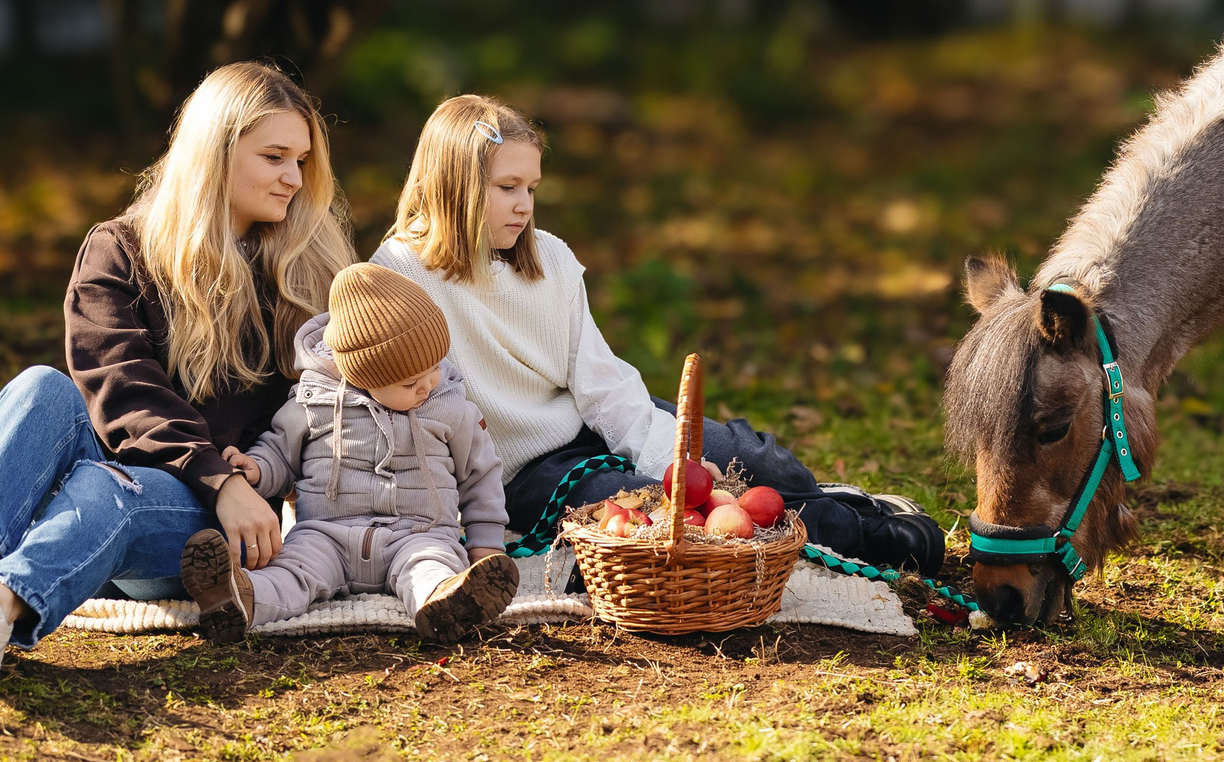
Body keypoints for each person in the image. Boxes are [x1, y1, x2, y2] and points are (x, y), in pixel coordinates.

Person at [0, 62, 350, 679]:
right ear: (215, 154)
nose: (293, 179)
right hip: (136, 469)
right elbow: (121, 383)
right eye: (275, 157)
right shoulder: (121, 247)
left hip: (204, 519)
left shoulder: (305, 272)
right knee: (39, 388)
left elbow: (326, 409)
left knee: (109, 489)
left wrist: (240, 483)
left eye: (301, 162)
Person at [369, 94, 944, 574]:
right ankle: (862, 538)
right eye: (507, 188)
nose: (525, 207)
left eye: (532, 189)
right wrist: (665, 482)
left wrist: (673, 458)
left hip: (589, 422)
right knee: (653, 510)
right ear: (455, 184)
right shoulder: (402, 271)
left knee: (754, 460)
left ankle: (847, 509)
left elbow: (598, 380)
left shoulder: (550, 259)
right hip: (522, 470)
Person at [182, 264, 520, 641]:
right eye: (411, 382)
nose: (428, 385)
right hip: (326, 533)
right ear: (363, 375)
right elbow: (280, 453)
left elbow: (481, 475)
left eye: (434, 369)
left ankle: (447, 605)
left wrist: (486, 545)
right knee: (293, 572)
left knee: (429, 566)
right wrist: (258, 470)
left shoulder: (450, 409)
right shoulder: (312, 402)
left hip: (417, 533)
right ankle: (242, 600)